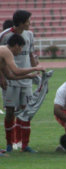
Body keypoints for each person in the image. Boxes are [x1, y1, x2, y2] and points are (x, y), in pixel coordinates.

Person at [0, 10, 39, 152]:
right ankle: (9, 144)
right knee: (10, 111)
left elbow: (31, 53)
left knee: (26, 111)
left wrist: (35, 67)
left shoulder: (29, 35)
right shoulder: (4, 36)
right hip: (11, 79)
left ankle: (25, 145)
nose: (30, 23)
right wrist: (1, 77)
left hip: (25, 79)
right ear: (21, 22)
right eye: (28, 21)